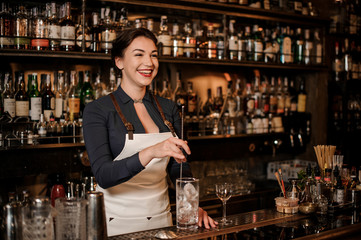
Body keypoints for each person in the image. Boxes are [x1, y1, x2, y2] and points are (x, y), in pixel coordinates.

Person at [83, 28, 217, 236]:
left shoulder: (169, 108)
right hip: (115, 225)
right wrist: (152, 151)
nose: (149, 63)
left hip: (162, 221)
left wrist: (190, 203)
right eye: (139, 54)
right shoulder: (98, 110)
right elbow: (103, 175)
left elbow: (179, 167)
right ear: (119, 62)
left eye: (153, 55)